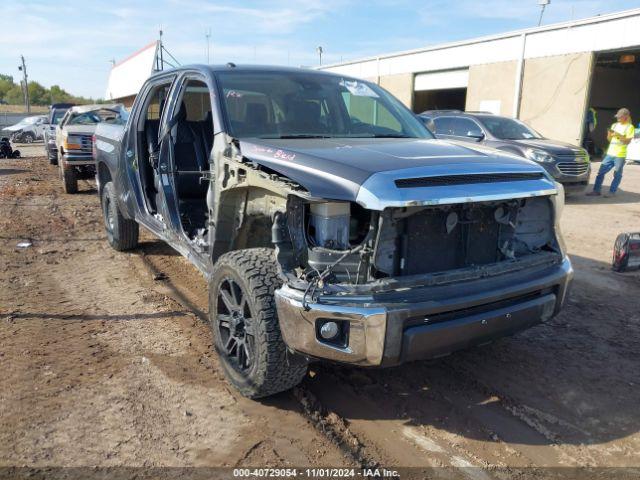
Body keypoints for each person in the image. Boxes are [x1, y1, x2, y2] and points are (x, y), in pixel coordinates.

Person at [587, 108, 635, 197]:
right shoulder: (614, 125)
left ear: (626, 117)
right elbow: (609, 140)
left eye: (620, 117)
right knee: (601, 172)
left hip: (620, 155)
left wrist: (618, 135)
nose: (618, 118)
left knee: (617, 174)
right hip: (610, 153)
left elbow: (627, 141)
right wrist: (609, 134)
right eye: (617, 116)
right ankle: (596, 191)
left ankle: (612, 192)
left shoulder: (630, 127)